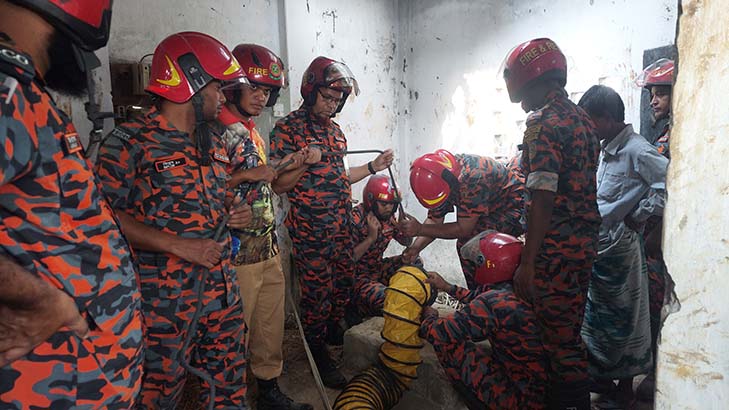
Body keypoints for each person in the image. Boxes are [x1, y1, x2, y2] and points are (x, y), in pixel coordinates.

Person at [96, 31, 252, 409]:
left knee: (229, 391)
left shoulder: (213, 142)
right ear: (192, 84)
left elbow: (212, 202)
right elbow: (103, 219)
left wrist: (233, 212)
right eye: (217, 87)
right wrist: (178, 245)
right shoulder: (129, 143)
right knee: (158, 395)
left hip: (222, 296)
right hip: (164, 305)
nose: (222, 98)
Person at [0, 1, 144, 408]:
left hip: (78, 378)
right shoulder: (7, 90)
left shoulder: (28, 92)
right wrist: (41, 300)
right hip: (50, 384)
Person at [269, 56, 393, 388]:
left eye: (337, 100)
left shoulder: (336, 134)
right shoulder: (288, 129)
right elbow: (278, 184)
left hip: (340, 226)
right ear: (310, 92)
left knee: (342, 283)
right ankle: (316, 349)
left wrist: (372, 167)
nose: (332, 105)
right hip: (311, 231)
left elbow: (340, 176)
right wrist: (303, 161)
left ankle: (332, 327)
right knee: (316, 295)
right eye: (327, 97)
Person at [501, 37, 601, 410]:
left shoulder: (543, 122)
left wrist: (528, 262)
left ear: (528, 80)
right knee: (569, 330)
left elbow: (542, 196)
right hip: (584, 245)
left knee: (558, 343)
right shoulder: (582, 120)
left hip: (554, 249)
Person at [218, 43, 312, 410]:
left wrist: (298, 163)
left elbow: (272, 184)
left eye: (267, 91)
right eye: (254, 88)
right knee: (231, 334)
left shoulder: (252, 131)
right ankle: (230, 397)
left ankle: (269, 391)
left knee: (270, 328)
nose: (262, 97)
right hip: (235, 254)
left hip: (268, 247)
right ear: (232, 86)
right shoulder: (214, 130)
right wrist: (246, 173)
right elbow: (199, 189)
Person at [577, 85, 668, 406]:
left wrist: (639, 215)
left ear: (607, 119)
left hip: (622, 250)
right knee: (600, 320)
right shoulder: (605, 149)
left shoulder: (637, 150)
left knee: (627, 319)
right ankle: (606, 379)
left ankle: (626, 388)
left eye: (590, 121)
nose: (587, 129)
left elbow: (669, 185)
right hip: (599, 249)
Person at [421, 230, 547, 410]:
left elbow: (439, 333)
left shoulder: (493, 302)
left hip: (521, 401)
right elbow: (479, 298)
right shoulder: (522, 289)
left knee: (447, 344)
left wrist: (429, 317)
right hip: (545, 390)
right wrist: (447, 287)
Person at [399, 149, 524, 289]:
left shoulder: (474, 177)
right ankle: (476, 298)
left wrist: (419, 229)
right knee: (468, 244)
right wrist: (415, 248)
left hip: (514, 206)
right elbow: (435, 221)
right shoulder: (439, 176)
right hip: (489, 208)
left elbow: (463, 229)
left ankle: (484, 298)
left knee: (472, 244)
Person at [634, 57, 679, 401]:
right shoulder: (668, 135)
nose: (653, 100)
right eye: (652, 93)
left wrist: (636, 215)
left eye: (661, 93)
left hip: (663, 239)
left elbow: (665, 193)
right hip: (658, 239)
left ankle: (657, 375)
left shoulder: (674, 142)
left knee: (658, 305)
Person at [347, 175, 412, 323]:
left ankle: (403, 298)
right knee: (388, 299)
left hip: (377, 270)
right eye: (384, 204)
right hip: (357, 278)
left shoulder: (388, 216)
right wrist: (370, 238)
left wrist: (404, 228)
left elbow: (407, 242)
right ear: (371, 201)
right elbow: (348, 259)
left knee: (414, 261)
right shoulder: (355, 218)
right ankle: (357, 308)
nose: (389, 208)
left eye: (392, 204)